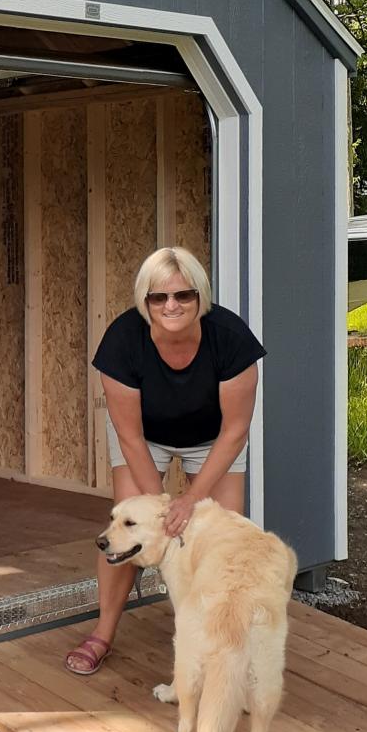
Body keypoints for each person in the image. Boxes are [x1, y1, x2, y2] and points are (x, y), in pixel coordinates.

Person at [63, 246, 266, 675]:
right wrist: (158, 510)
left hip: (213, 439)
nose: (171, 306)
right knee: (126, 530)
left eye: (183, 296)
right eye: (159, 298)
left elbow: (234, 431)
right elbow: (130, 436)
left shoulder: (231, 339)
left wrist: (190, 499)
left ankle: (222, 643)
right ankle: (103, 632)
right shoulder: (121, 342)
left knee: (222, 540)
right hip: (146, 438)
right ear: (145, 301)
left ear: (200, 298)